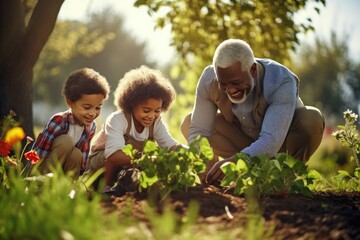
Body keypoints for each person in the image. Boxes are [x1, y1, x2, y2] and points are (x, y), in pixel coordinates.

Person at [181, 39, 325, 184]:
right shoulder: (209, 78)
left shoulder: (281, 81)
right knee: (189, 123)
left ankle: (282, 178)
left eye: (236, 82)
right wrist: (201, 162)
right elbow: (199, 130)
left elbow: (271, 140)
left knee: (312, 119)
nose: (230, 90)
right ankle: (215, 177)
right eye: (223, 84)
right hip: (242, 141)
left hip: (279, 147)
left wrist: (238, 160)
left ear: (253, 70)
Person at [87, 65, 180, 194]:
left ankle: (124, 183)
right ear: (132, 104)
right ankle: (104, 187)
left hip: (129, 162)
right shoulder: (118, 119)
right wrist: (148, 159)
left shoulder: (156, 122)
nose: (151, 116)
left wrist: (188, 152)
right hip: (101, 162)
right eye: (146, 110)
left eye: (157, 111)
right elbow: (113, 156)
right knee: (114, 157)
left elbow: (170, 146)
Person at [33, 68, 110, 178]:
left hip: (65, 169)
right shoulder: (59, 121)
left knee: (77, 154)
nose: (93, 113)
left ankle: (68, 187)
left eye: (97, 108)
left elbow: (83, 154)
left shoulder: (91, 126)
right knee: (66, 141)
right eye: (87, 107)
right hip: (44, 168)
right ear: (70, 103)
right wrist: (34, 172)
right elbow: (41, 151)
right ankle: (43, 184)